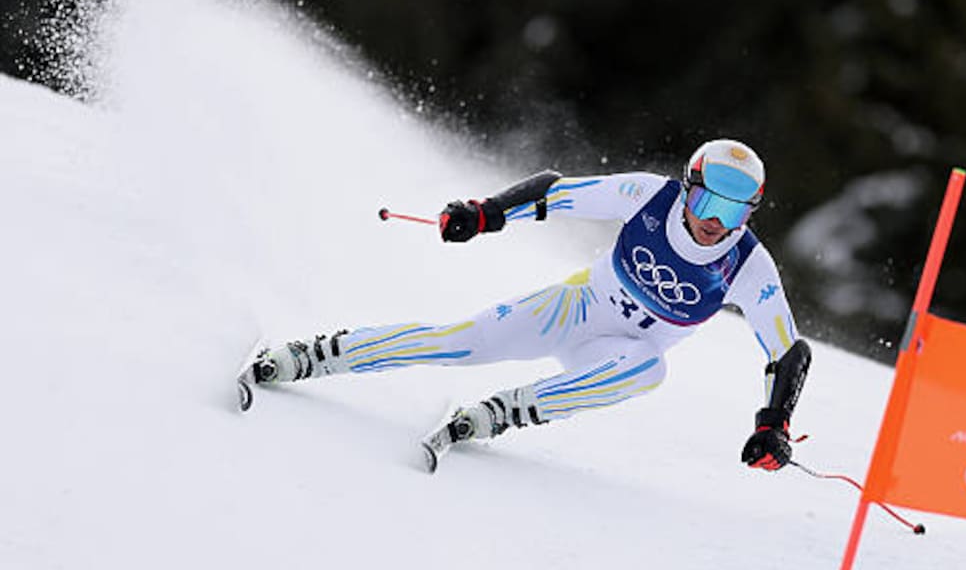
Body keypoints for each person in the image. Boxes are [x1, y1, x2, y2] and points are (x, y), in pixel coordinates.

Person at [244, 138, 811, 472]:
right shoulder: (648, 195)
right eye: (709, 199)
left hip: (623, 351)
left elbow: (788, 352)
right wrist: (485, 212)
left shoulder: (748, 266)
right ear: (688, 186)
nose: (716, 221)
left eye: (735, 212)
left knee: (651, 369)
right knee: (458, 344)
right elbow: (555, 191)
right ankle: (312, 355)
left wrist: (774, 425)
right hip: (580, 306)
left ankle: (500, 413)